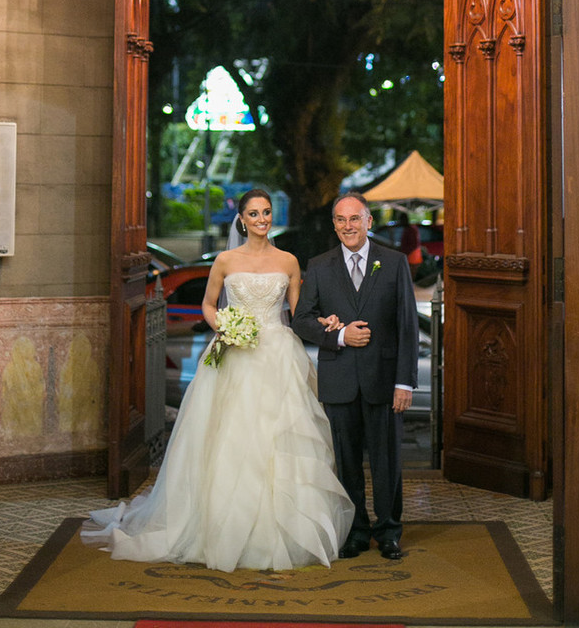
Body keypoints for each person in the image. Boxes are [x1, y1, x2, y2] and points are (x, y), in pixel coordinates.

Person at [81, 188, 353, 572]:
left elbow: (300, 311)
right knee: (229, 438)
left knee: (280, 439)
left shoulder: (289, 261)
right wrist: (226, 326)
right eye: (254, 214)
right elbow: (208, 305)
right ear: (241, 219)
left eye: (267, 212)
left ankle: (281, 530)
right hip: (234, 356)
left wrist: (325, 321)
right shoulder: (225, 261)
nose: (262, 219)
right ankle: (218, 526)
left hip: (278, 354)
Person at [292, 191, 418, 561]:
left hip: (384, 380)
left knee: (387, 462)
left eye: (355, 219)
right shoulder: (319, 265)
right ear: (334, 225)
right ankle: (356, 531)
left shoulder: (393, 263)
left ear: (369, 221)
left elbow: (407, 325)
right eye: (341, 220)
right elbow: (301, 320)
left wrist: (404, 382)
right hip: (340, 380)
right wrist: (341, 336)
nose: (348, 226)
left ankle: (389, 531)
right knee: (346, 463)